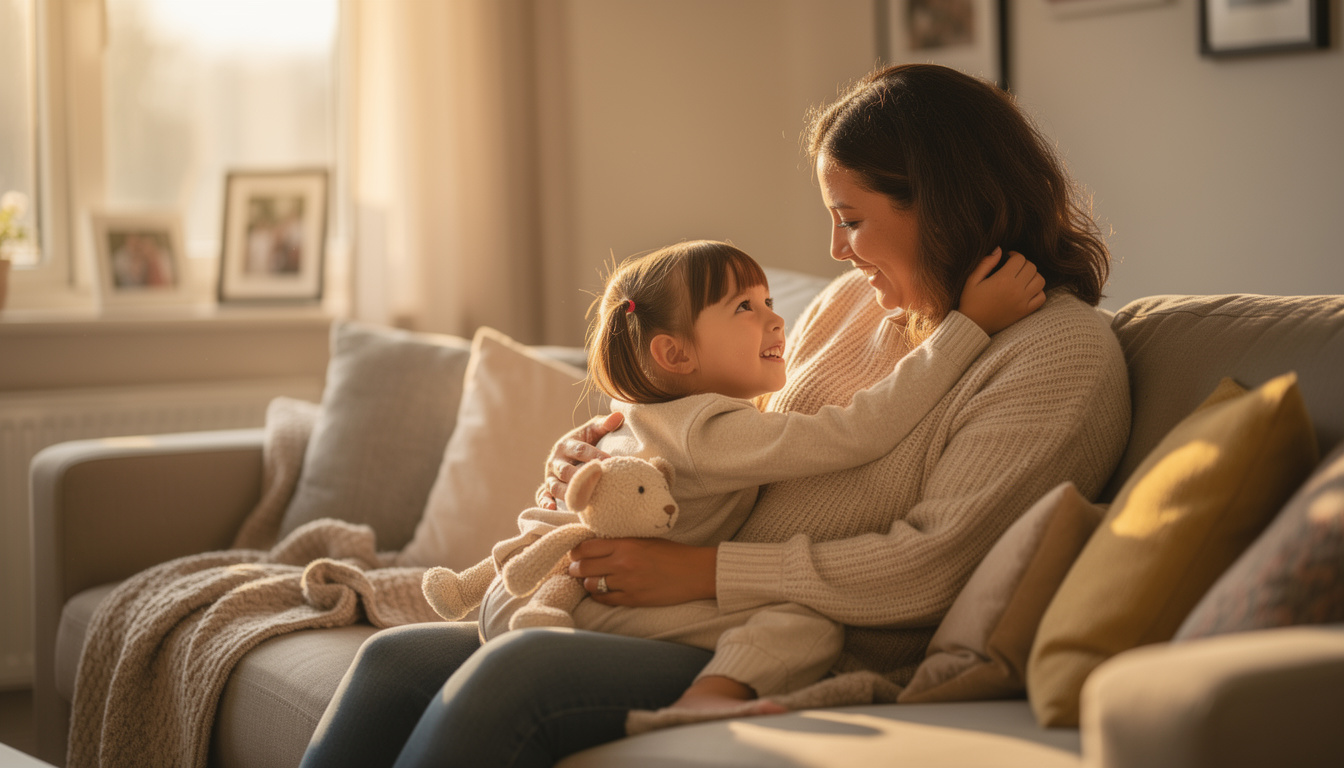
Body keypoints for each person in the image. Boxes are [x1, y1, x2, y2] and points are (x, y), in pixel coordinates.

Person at [300, 63, 1131, 768]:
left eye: (852, 219)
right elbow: (738, 436)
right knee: (394, 662)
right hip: (679, 608)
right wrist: (621, 454)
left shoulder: (1058, 355)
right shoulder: (853, 306)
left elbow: (930, 567)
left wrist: (704, 573)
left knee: (510, 678)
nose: (837, 251)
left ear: (944, 206)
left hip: (791, 639)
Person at [431, 237, 1040, 728]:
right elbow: (858, 431)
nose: (777, 321)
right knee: (807, 625)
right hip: (598, 605)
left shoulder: (651, 417)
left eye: (769, 301)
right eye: (745, 308)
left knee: (391, 659)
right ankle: (710, 695)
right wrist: (966, 329)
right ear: (675, 356)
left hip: (537, 595)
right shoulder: (712, 429)